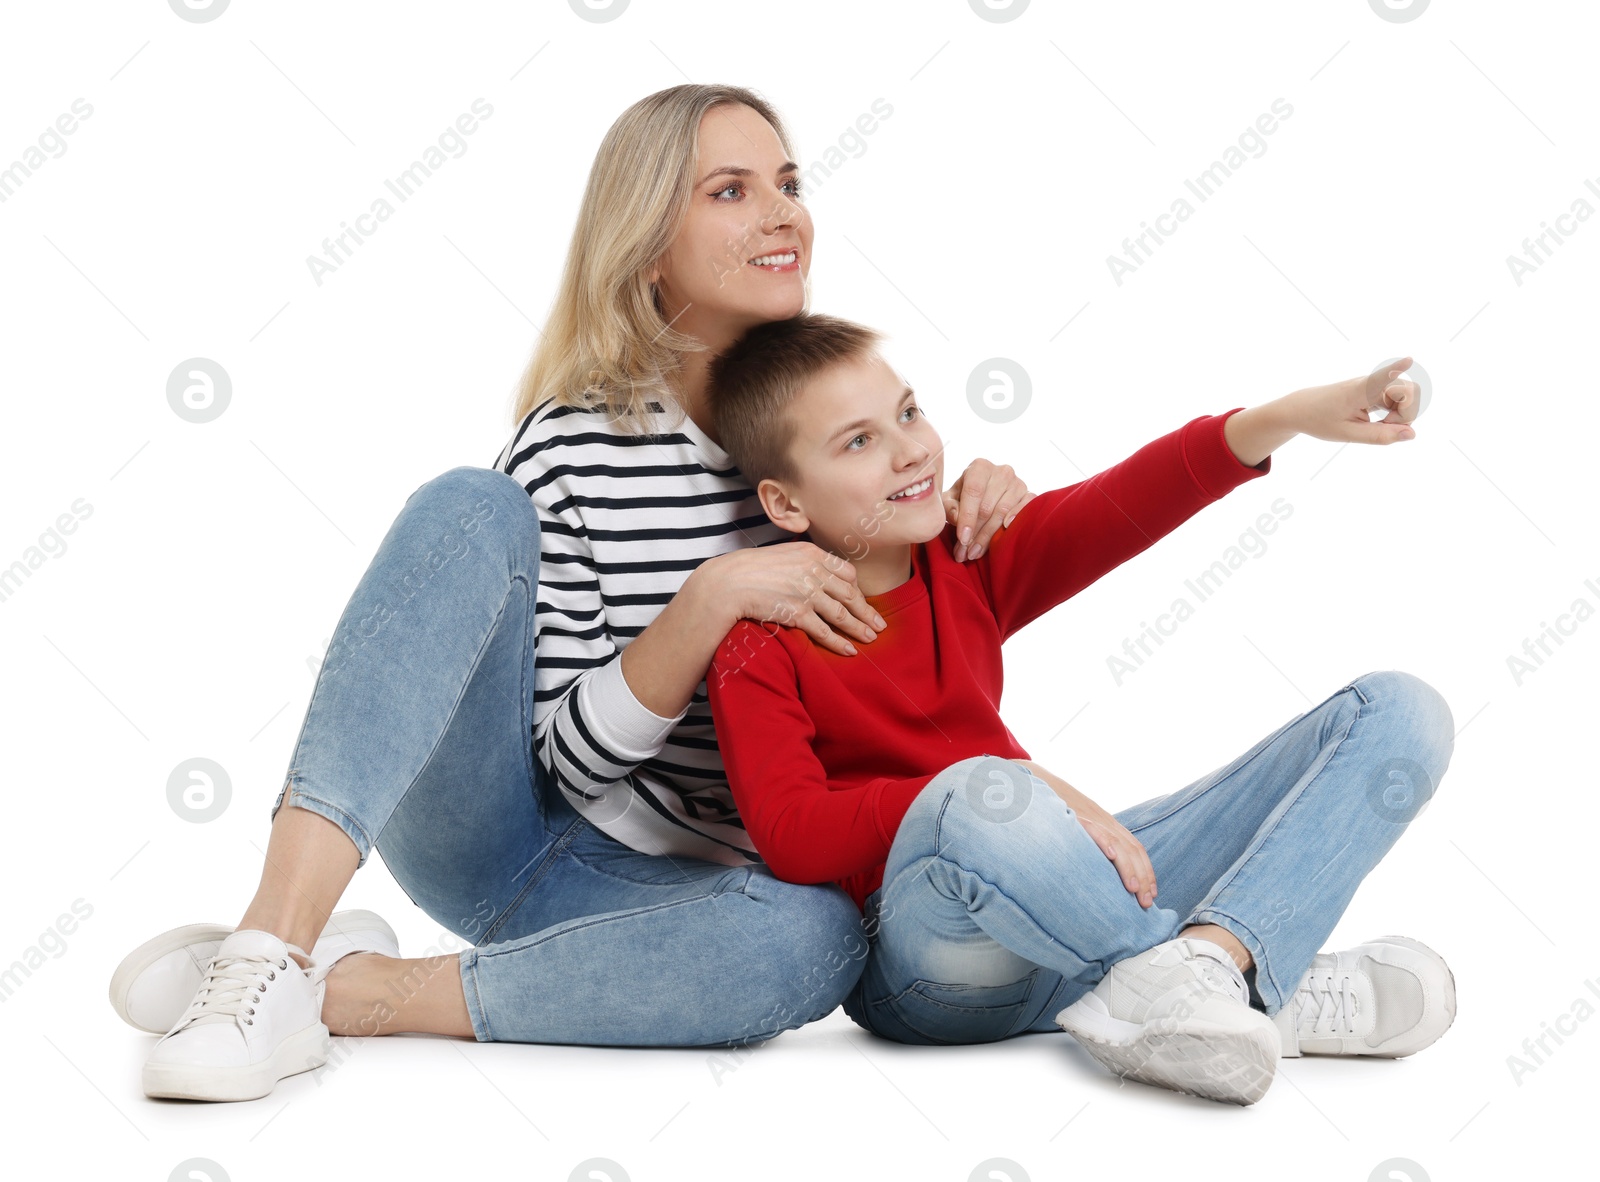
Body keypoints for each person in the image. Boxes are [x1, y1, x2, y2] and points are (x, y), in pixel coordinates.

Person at [104, 84, 1036, 1103]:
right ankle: (269, 950)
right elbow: (566, 767)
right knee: (471, 506)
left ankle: (344, 990)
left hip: (695, 885)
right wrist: (705, 602)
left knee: (813, 947)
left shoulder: (835, 435)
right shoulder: (576, 445)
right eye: (731, 190)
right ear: (645, 249)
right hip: (517, 832)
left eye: (788, 183)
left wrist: (972, 512)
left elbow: (915, 660)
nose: (782, 214)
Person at [700, 312, 1458, 1106]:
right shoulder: (759, 644)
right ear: (785, 504)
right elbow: (791, 835)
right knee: (977, 792)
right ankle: (1248, 976)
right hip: (933, 969)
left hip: (1078, 910)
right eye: (858, 442)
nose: (912, 448)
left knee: (1402, 713)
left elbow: (1128, 501)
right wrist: (1004, 788)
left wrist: (1290, 417)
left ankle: (1202, 971)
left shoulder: (966, 555)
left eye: (910, 410)